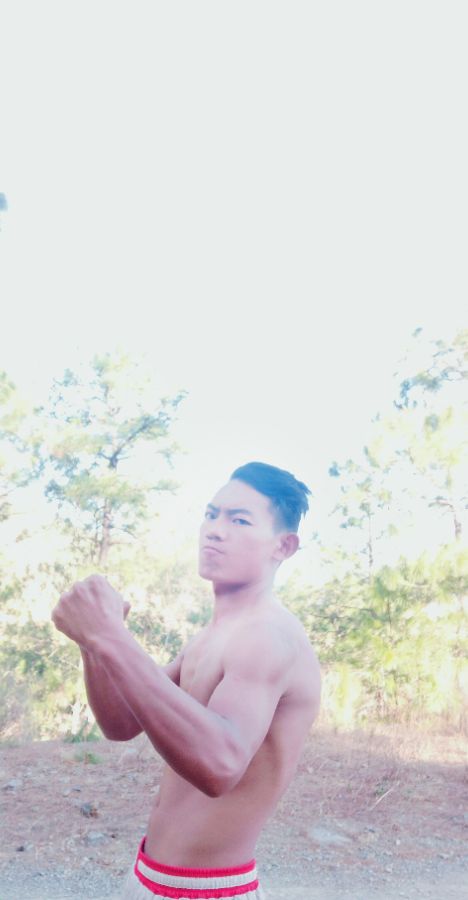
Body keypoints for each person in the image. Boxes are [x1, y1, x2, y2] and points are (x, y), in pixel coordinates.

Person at [52, 461, 321, 899]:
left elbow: (219, 767)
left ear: (283, 546)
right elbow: (120, 723)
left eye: (239, 520)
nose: (215, 530)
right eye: (211, 514)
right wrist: (93, 644)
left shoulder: (268, 635)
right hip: (150, 875)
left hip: (208, 890)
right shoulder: (210, 636)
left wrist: (111, 638)